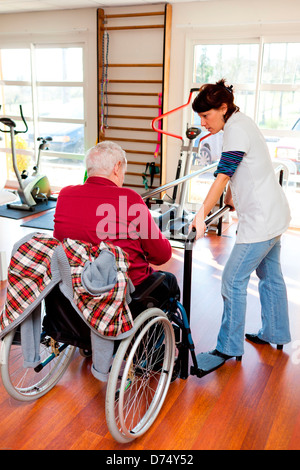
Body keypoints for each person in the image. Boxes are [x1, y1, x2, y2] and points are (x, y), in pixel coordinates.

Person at [190, 79, 291, 362]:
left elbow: (223, 174)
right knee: (270, 276)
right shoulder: (239, 123)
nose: (203, 123)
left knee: (233, 279)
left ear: (223, 108)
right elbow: (238, 168)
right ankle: (276, 332)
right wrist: (229, 201)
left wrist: (201, 215)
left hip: (261, 221)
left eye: (206, 116)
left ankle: (228, 347)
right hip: (273, 214)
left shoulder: (236, 130)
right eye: (200, 117)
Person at [53, 140, 180, 315]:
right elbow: (162, 255)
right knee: (170, 282)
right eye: (123, 173)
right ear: (117, 167)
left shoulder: (65, 194)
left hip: (74, 290)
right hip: (120, 295)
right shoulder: (129, 199)